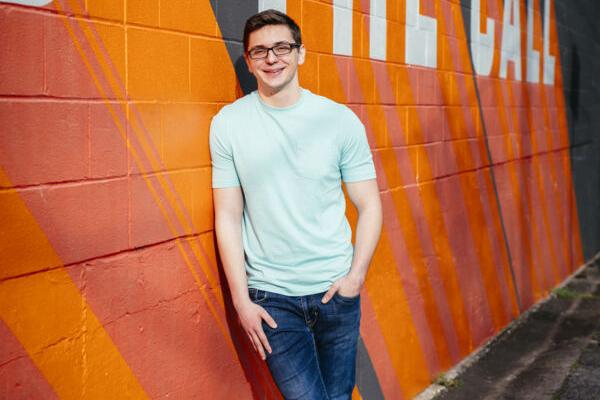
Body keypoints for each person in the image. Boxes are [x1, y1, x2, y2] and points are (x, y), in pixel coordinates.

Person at [210, 9, 382, 400]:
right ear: (250, 62)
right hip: (272, 298)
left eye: (282, 47)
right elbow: (228, 216)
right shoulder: (228, 124)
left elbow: (369, 205)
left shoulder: (339, 121)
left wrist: (355, 278)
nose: (272, 58)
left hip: (335, 292)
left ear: (300, 54)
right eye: (260, 52)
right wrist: (241, 301)